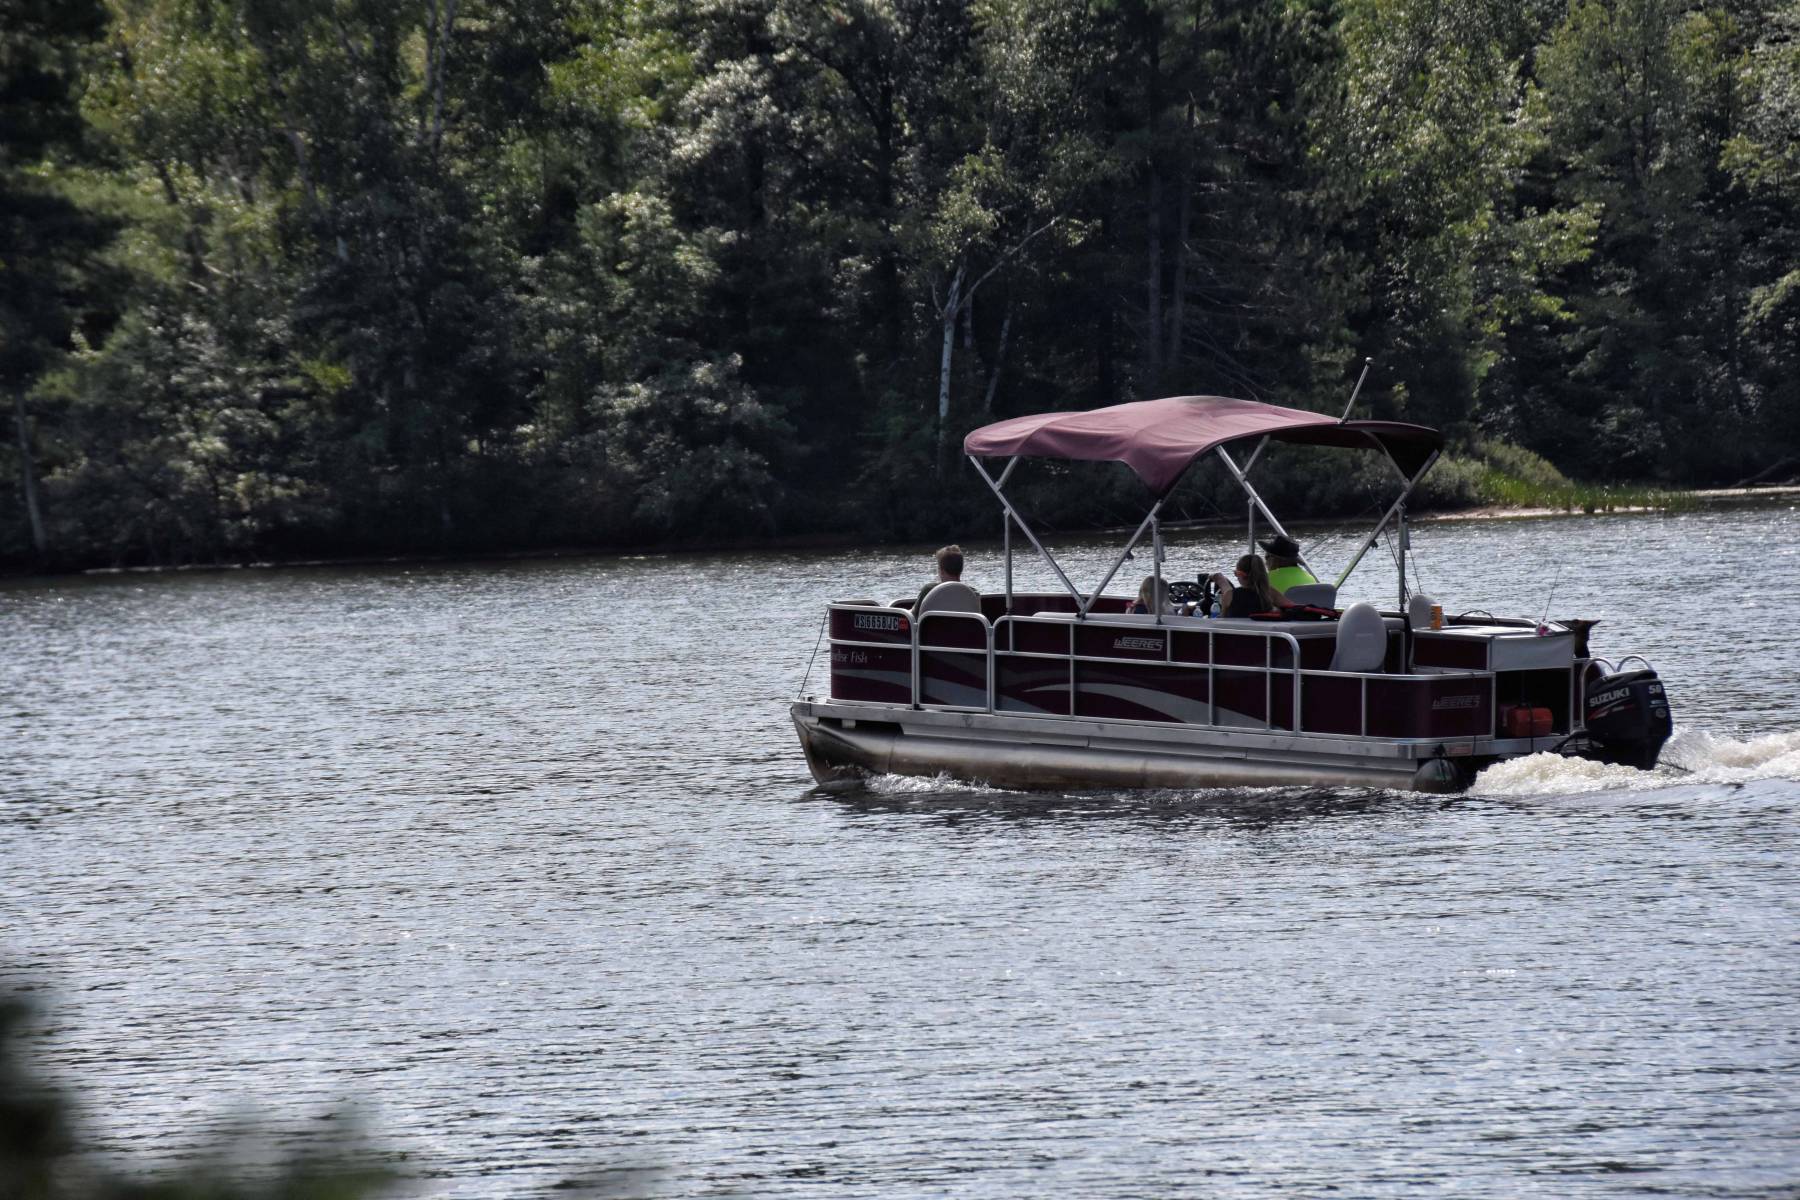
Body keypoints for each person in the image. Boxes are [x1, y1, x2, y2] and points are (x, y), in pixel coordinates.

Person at [1210, 555, 1289, 618]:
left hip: (1236, 637)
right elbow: (1293, 608)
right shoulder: (1270, 592)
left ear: (1241, 575)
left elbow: (1222, 620)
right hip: (1264, 637)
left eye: (1236, 573)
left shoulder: (1229, 595)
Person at [916, 544, 966, 611]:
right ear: (961, 569)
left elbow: (912, 614)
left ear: (941, 571)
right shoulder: (973, 593)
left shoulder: (928, 590)